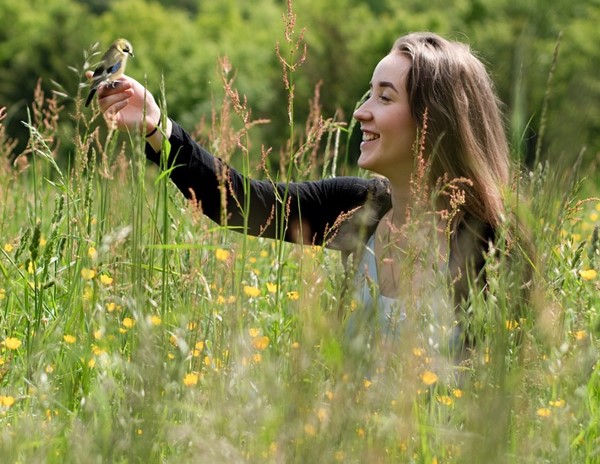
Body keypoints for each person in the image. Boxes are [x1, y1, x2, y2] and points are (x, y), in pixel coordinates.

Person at [91, 32, 514, 354]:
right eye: (369, 93)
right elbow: (239, 203)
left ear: (433, 119)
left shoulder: (490, 240)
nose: (361, 111)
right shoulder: (360, 208)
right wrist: (155, 125)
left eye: (385, 97)